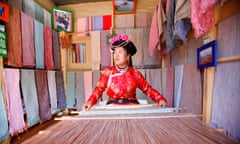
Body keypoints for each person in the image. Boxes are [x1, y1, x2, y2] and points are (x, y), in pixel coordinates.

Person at [82, 35, 167, 111]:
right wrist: (89, 102)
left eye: (120, 51)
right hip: (112, 108)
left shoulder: (135, 73)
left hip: (132, 108)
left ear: (128, 56)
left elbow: (147, 89)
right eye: (114, 52)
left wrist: (160, 99)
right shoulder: (107, 72)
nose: (116, 55)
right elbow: (98, 90)